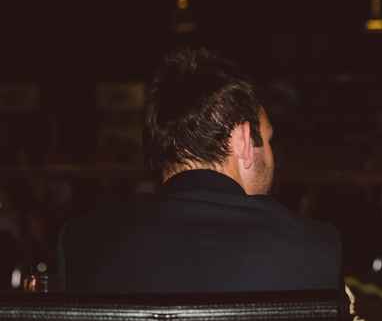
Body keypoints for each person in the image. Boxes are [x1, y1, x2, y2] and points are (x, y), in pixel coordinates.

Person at [58, 48, 341, 292]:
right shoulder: (312, 247)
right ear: (243, 140)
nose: (272, 156)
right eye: (267, 140)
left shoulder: (83, 245)